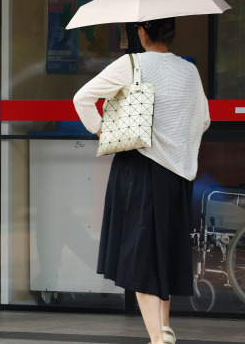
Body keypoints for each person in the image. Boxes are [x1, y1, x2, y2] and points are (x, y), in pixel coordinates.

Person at [73, 18, 210, 344]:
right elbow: (203, 119)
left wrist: (102, 130)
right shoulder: (189, 71)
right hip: (176, 176)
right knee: (163, 254)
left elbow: (82, 98)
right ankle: (163, 328)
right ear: (171, 33)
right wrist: (178, 143)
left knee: (140, 259)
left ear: (143, 31)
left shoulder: (131, 63)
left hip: (138, 171)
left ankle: (158, 340)